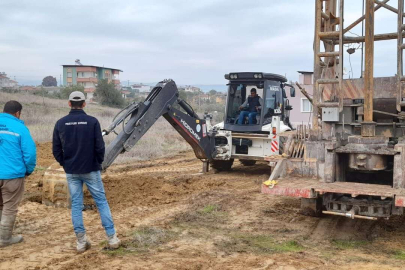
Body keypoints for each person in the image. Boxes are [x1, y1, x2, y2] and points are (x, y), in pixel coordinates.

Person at [52, 91, 120, 253]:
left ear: (69, 104)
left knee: (76, 204)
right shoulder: (92, 122)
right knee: (101, 201)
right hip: (91, 169)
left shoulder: (60, 123)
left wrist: (65, 163)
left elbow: (56, 149)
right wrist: (97, 163)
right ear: (84, 104)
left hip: (72, 171)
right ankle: (112, 238)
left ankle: (81, 242)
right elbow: (100, 147)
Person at [0, 101, 36, 247]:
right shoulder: (20, 128)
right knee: (9, 206)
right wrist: (28, 170)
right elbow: (30, 154)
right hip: (12, 175)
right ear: (17, 113)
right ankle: (4, 239)